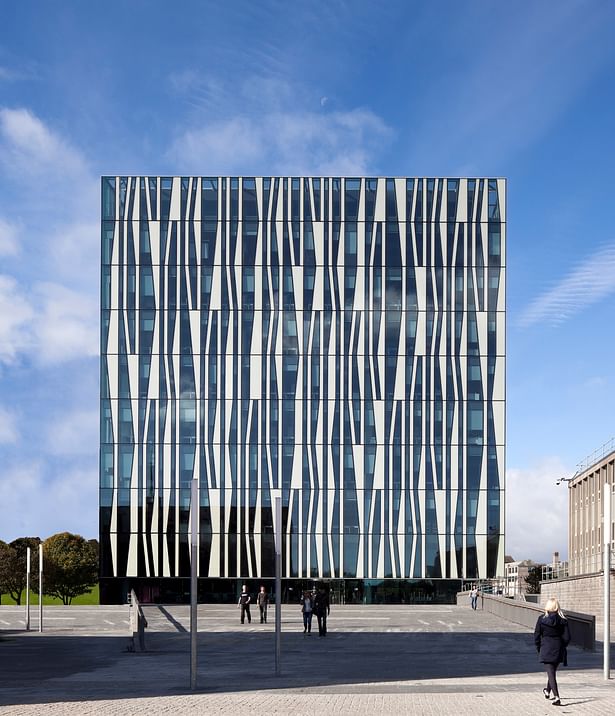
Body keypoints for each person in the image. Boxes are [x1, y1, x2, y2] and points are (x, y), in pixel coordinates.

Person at [534, 597, 570, 706]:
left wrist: (539, 647)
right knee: (552, 672)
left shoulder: (541, 619)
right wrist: (562, 645)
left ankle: (557, 697)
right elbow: (568, 637)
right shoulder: (563, 620)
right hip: (558, 647)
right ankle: (547, 690)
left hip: (546, 647)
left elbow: (536, 635)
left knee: (551, 673)